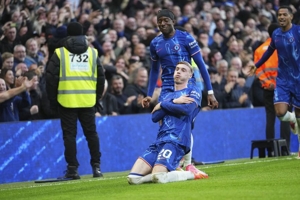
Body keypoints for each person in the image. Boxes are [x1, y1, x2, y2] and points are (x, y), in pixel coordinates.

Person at [142, 9, 218, 173]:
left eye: (165, 20)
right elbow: (154, 70)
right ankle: (171, 160)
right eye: (159, 21)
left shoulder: (186, 38)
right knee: (164, 124)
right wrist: (149, 94)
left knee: (186, 123)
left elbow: (201, 65)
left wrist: (210, 92)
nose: (162, 24)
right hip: (167, 88)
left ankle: (188, 163)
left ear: (173, 21)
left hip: (186, 86)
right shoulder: (155, 43)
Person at [127, 61, 208, 185]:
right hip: (159, 141)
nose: (179, 72)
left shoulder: (193, 91)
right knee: (133, 179)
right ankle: (168, 172)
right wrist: (175, 101)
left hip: (176, 141)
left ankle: (191, 174)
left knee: (158, 177)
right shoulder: (168, 95)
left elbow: (186, 110)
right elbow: (155, 116)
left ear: (190, 75)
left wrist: (163, 104)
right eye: (177, 69)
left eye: (183, 70)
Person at [46, 22, 105, 180]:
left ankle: (72, 170)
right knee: (91, 134)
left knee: (69, 136)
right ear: (82, 34)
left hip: (67, 100)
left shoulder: (60, 53)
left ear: (68, 35)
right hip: (88, 100)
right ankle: (97, 168)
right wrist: (97, 97)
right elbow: (101, 78)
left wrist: (52, 100)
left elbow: (50, 79)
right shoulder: (93, 53)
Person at [249, 6, 300, 135]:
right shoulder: (276, 33)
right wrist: (257, 65)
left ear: (291, 17)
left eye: (284, 14)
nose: (281, 17)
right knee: (280, 112)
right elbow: (270, 50)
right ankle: (292, 118)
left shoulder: (297, 32)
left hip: (298, 78)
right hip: (282, 79)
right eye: (279, 15)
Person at [253, 23, 291, 155]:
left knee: (270, 117)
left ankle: (270, 150)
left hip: (267, 88)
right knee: (285, 116)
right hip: (283, 87)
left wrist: (267, 82)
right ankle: (285, 149)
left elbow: (257, 70)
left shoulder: (259, 50)